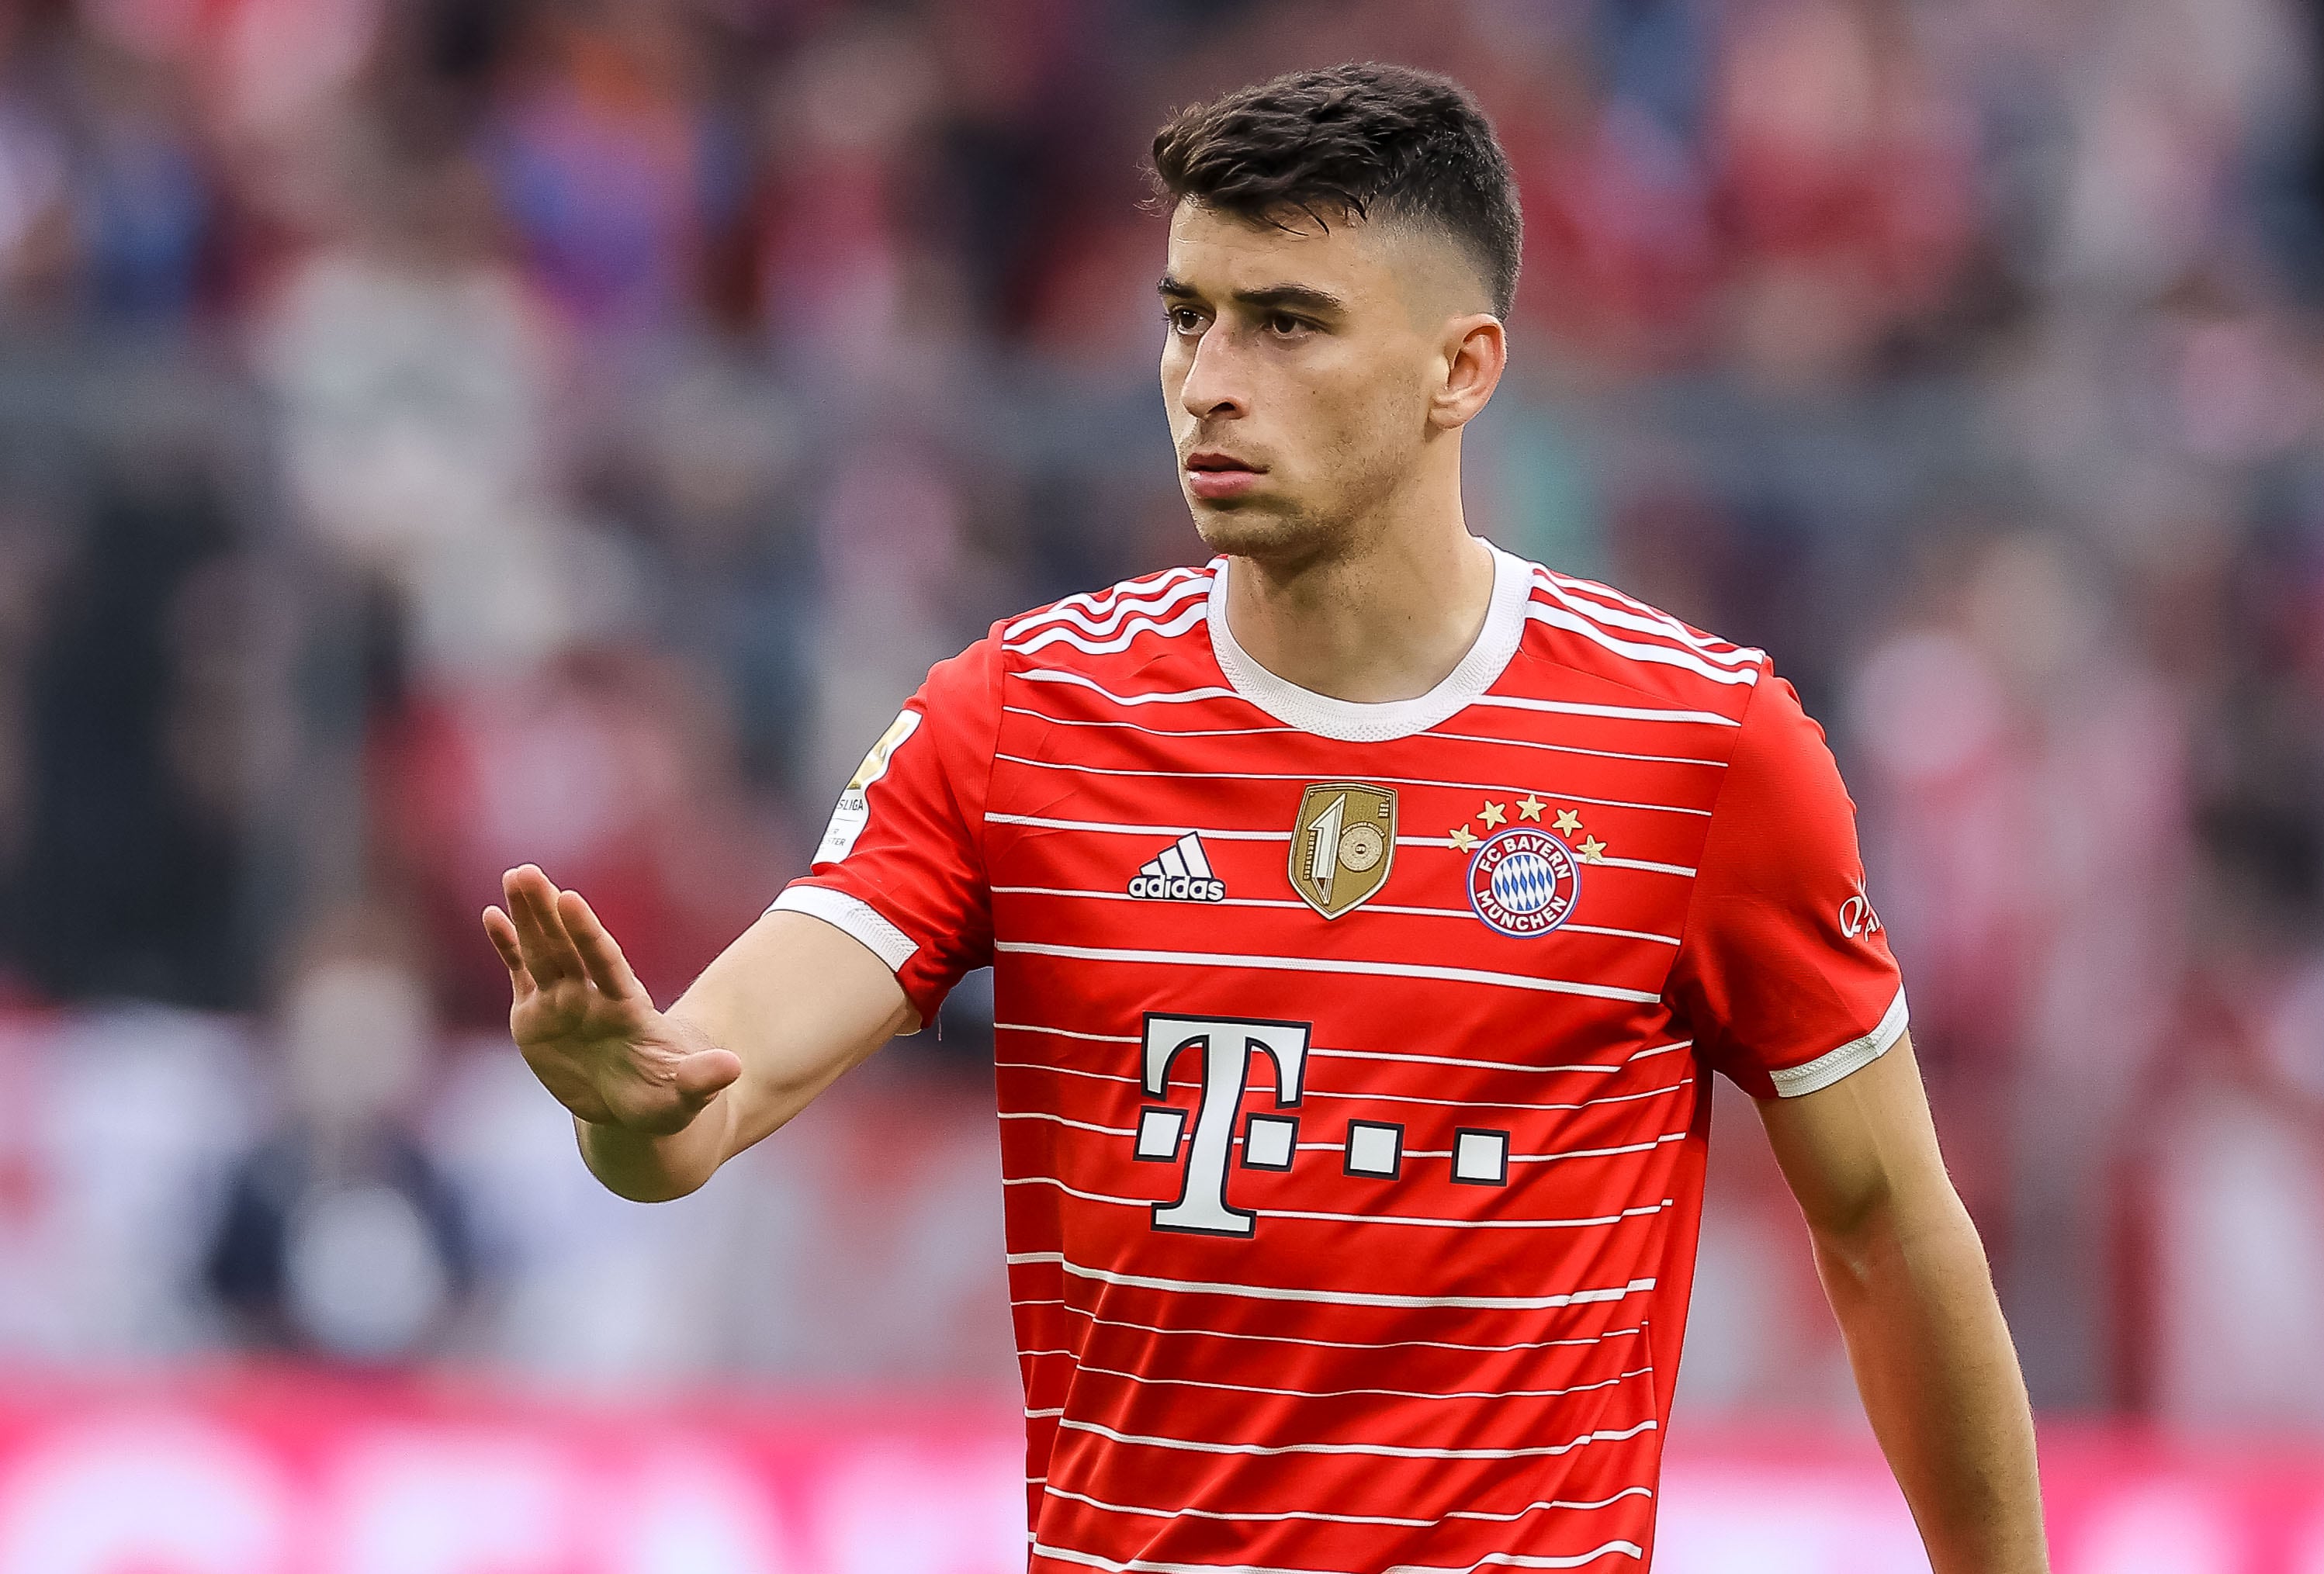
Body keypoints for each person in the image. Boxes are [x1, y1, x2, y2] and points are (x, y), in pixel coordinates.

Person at [483, 63, 2048, 1574]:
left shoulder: (1697, 747)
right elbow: (700, 1105)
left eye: (1286, 325)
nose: (1209, 381)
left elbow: (1890, 1227)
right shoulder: (1019, 718)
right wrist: (629, 1100)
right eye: (1187, 319)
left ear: (1462, 368)